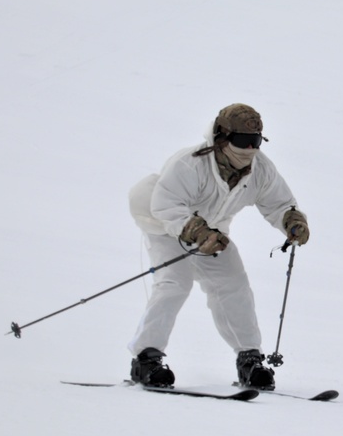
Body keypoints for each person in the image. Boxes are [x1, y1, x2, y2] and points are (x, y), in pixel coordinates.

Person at [126, 103, 309, 389]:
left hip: (215, 233)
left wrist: (291, 220)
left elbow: (278, 202)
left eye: (256, 141)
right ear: (222, 137)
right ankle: (146, 359)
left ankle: (249, 359)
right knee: (175, 282)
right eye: (241, 141)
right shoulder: (190, 164)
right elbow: (166, 205)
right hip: (166, 227)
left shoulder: (260, 168)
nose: (249, 148)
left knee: (233, 285)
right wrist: (196, 231)